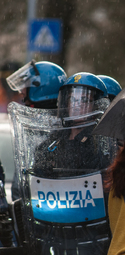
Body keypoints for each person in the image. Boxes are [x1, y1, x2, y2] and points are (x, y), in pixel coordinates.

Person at [9, 72, 114, 255]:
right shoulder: (50, 144)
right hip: (52, 232)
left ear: (95, 105)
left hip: (90, 235)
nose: (77, 106)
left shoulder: (103, 145)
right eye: (73, 100)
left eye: (84, 100)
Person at [6, 60, 67, 201]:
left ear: (40, 88)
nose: (21, 92)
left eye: (26, 87)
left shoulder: (63, 129)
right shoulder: (33, 123)